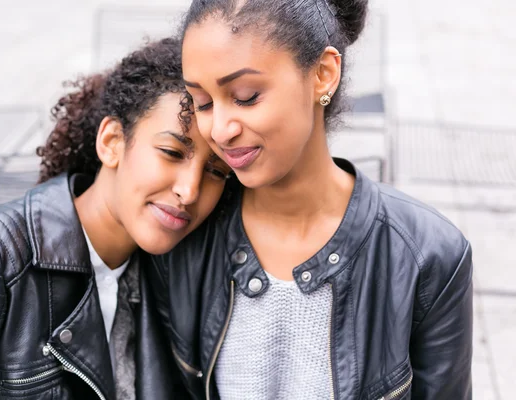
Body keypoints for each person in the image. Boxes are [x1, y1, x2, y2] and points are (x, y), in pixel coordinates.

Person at [149, 1, 473, 399]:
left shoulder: (428, 257)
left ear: (323, 74)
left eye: (247, 96)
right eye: (202, 102)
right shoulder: (186, 236)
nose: (220, 129)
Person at [0, 38, 230, 399]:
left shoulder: (176, 275)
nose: (190, 191)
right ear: (112, 142)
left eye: (216, 172)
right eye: (172, 152)